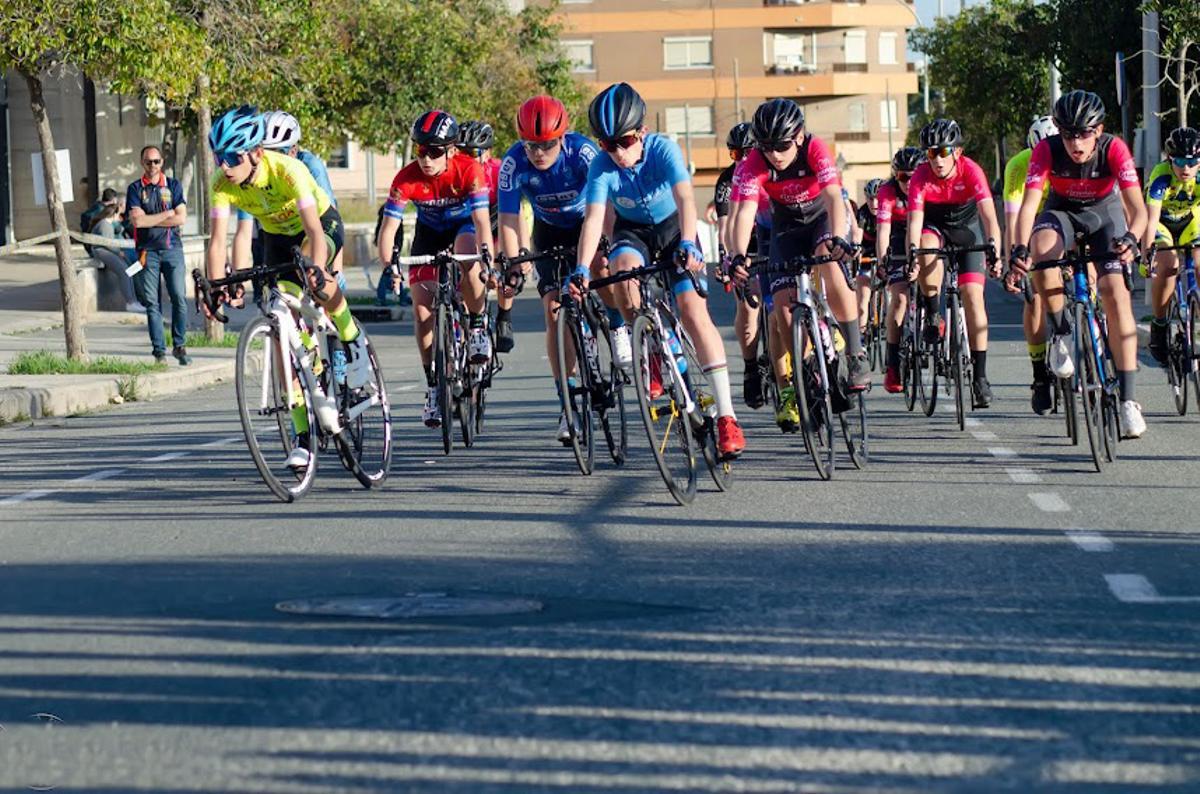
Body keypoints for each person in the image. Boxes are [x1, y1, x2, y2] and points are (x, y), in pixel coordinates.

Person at [571, 82, 746, 459]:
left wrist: (687, 242)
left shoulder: (663, 149)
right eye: (607, 144)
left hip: (672, 229)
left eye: (625, 141)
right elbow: (594, 218)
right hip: (632, 232)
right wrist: (582, 269)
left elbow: (686, 199)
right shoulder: (601, 167)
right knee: (621, 270)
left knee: (692, 312)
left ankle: (727, 418)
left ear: (643, 133)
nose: (617, 152)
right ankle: (651, 344)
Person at [204, 105, 371, 470]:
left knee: (318, 283)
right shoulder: (221, 184)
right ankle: (302, 438)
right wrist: (216, 286)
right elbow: (219, 241)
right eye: (219, 157)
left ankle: (350, 336)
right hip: (277, 238)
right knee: (282, 333)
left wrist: (314, 271)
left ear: (256, 153)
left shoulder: (289, 171)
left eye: (232, 157)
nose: (225, 166)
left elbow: (314, 231)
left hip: (318, 227)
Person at [1007, 89, 1148, 439]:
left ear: (1098, 130)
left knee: (1115, 293)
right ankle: (1062, 333)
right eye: (1068, 134)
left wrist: (1132, 238)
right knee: (1042, 250)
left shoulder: (1115, 149)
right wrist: (1020, 248)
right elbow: (1028, 207)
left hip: (1105, 216)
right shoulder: (1047, 150)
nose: (1076, 143)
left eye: (1084, 133)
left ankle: (1128, 402)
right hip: (1062, 213)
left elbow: (1138, 208)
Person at [728, 98, 870, 433]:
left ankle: (855, 352)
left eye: (782, 145)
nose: (775, 154)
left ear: (799, 137)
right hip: (786, 228)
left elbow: (835, 198)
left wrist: (838, 238)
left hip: (822, 220)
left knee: (832, 268)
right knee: (783, 311)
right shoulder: (753, 163)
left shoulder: (816, 149)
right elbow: (744, 214)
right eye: (766, 147)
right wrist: (736, 255)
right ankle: (807, 373)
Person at [496, 95, 621, 443]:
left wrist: (608, 241)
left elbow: (606, 200)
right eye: (531, 145)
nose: (538, 153)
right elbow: (508, 217)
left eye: (547, 145)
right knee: (553, 310)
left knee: (600, 268)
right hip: (548, 231)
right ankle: (567, 404)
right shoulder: (513, 163)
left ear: (562, 138)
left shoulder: (582, 153)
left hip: (588, 223)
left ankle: (617, 321)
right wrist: (514, 266)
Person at [376, 109, 494, 429]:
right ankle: (432, 386)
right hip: (428, 237)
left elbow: (482, 222)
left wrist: (488, 259)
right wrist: (389, 267)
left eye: (435, 151)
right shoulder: (406, 178)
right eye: (420, 150)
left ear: (452, 150)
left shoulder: (469, 170)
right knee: (422, 312)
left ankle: (478, 325)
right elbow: (389, 229)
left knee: (467, 255)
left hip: (463, 230)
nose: (426, 159)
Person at [905, 118, 1003, 408]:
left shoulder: (971, 170)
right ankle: (934, 312)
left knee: (973, 297)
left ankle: (980, 377)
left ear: (957, 152)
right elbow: (915, 221)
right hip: (934, 227)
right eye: (931, 153)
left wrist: (995, 249)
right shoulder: (920, 177)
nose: (936, 159)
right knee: (925, 248)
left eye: (943, 152)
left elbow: (989, 217)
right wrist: (912, 253)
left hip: (966, 229)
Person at [714, 121, 774, 409]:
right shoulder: (727, 180)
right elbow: (725, 225)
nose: (741, 160)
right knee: (749, 308)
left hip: (771, 237)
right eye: (734, 154)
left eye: (747, 153)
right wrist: (729, 257)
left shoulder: (769, 170)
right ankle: (751, 367)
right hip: (743, 244)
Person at [1002, 115, 1059, 414]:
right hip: (1033, 223)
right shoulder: (1019, 166)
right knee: (1035, 296)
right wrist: (1014, 259)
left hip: (1068, 219)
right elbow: (1013, 219)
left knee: (1089, 275)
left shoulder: (1070, 156)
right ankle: (1039, 375)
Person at [125, 144, 190, 365]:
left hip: (173, 249)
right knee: (153, 303)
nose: (152, 166)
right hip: (147, 252)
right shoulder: (135, 189)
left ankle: (179, 346)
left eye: (156, 161)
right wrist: (167, 214)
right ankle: (159, 352)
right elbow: (137, 221)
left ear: (162, 162)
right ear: (141, 163)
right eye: (147, 161)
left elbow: (181, 218)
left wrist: (151, 219)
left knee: (179, 298)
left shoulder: (173, 185)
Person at [1143, 127, 1200, 365]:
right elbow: (1152, 217)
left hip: (1190, 220)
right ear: (1169, 159)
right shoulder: (1161, 176)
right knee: (1168, 264)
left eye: (1192, 162)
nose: (1185, 168)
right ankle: (1159, 324)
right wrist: (1147, 253)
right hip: (1161, 223)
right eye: (1179, 161)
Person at [460, 120, 516, 353]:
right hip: (467, 224)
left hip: (496, 223)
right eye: (462, 152)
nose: (467, 158)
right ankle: (470, 317)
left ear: (488, 152)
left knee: (504, 266)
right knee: (466, 268)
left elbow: (512, 215)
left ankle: (505, 316)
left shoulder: (497, 170)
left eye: (473, 153)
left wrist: (516, 251)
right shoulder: (457, 172)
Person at [876, 146, 922, 393]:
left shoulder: (926, 185)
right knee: (900, 299)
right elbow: (883, 231)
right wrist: (883, 260)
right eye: (903, 177)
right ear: (895, 176)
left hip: (924, 235)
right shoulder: (887, 192)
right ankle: (893, 363)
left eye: (913, 176)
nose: (908, 182)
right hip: (897, 241)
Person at [855, 178, 883, 331]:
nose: (874, 204)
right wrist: (857, 249)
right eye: (871, 199)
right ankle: (862, 334)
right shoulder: (863, 213)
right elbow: (857, 236)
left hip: (884, 252)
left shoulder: (888, 210)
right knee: (863, 299)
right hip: (866, 255)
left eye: (878, 199)